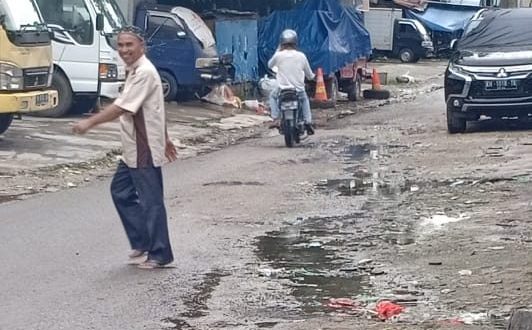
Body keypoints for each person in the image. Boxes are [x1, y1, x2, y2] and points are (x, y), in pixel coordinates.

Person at [72, 26, 176, 270]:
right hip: (133, 146)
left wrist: (90, 122)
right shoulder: (135, 70)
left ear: (142, 46)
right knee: (121, 191)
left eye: (129, 45)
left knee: (151, 201)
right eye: (120, 45)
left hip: (144, 146)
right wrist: (167, 138)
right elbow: (156, 109)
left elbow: (121, 107)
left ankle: (160, 253)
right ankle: (142, 241)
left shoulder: (145, 72)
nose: (124, 50)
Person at [268, 29, 315, 135]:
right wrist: (312, 77)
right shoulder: (301, 56)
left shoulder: (278, 55)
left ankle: (275, 118)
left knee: (272, 97)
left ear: (282, 43)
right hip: (298, 90)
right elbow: (309, 73)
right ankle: (308, 121)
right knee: (304, 100)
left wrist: (277, 51)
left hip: (282, 89)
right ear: (295, 42)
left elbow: (270, 65)